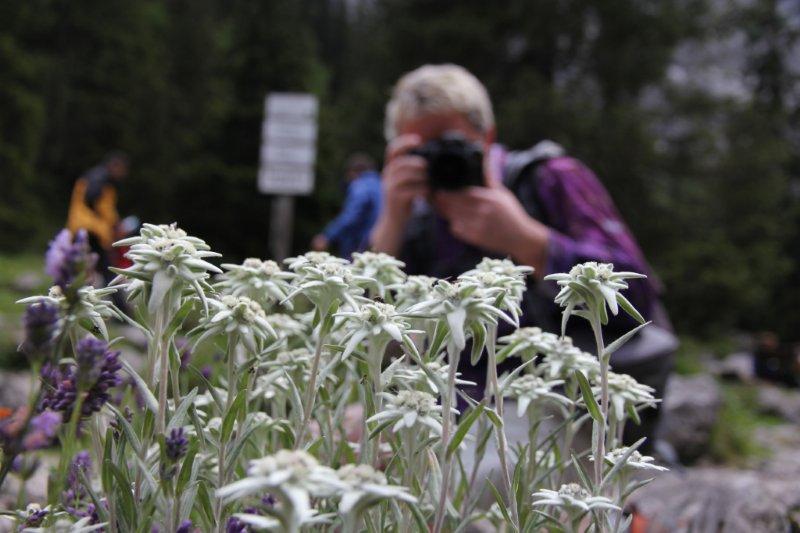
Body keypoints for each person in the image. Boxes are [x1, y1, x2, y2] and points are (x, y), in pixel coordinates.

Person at [370, 64, 676, 448]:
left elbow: (639, 292)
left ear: (488, 135)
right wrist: (390, 222)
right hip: (445, 406)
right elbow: (370, 329)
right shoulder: (415, 220)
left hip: (564, 400)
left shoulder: (550, 178)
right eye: (420, 151)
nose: (437, 162)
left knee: (477, 479)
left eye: (449, 144)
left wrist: (529, 240)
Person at [67, 151, 130, 284]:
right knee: (105, 268)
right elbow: (98, 204)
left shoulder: (92, 176)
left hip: (80, 227)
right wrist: (115, 223)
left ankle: (62, 296)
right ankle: (119, 303)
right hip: (91, 230)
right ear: (115, 166)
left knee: (76, 267)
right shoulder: (101, 179)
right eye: (122, 169)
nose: (123, 174)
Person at [311, 153, 382, 257]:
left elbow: (351, 215)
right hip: (383, 243)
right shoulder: (383, 184)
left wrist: (327, 236)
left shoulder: (361, 185)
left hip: (362, 244)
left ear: (352, 172)